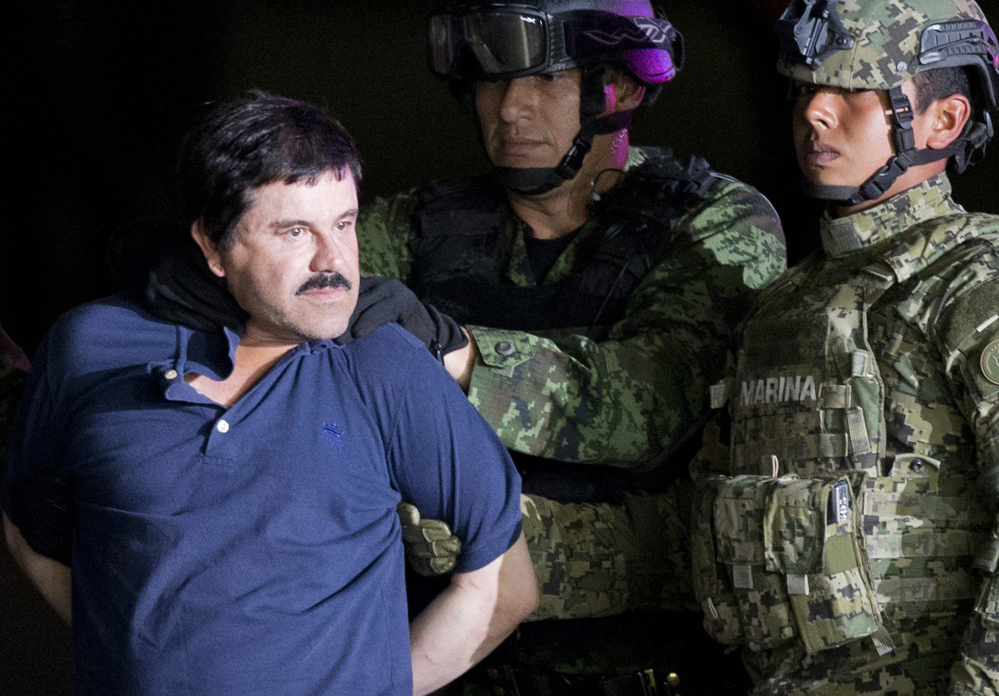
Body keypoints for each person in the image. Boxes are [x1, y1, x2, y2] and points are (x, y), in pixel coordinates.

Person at [2, 92, 538, 696]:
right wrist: (124, 647)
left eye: (344, 223)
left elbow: (505, 588)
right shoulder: (89, 347)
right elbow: (27, 533)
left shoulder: (383, 365)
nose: (333, 259)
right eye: (294, 231)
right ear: (212, 244)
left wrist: (377, 683)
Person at [354, 0, 785, 692]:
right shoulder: (419, 224)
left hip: (638, 662)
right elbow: (299, 292)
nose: (512, 109)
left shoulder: (714, 221)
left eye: (547, 81)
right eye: (493, 82)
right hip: (451, 658)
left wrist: (460, 356)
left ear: (627, 87)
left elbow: (653, 403)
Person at [688, 0, 999, 693]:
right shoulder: (780, 307)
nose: (813, 113)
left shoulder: (972, 280)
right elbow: (703, 533)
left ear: (942, 120)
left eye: (852, 89)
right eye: (804, 88)